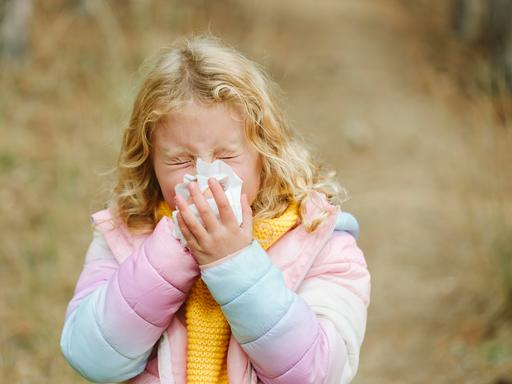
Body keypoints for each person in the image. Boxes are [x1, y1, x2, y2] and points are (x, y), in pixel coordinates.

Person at [60, 34, 371, 384]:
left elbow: (314, 374)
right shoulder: (127, 234)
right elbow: (91, 357)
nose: (206, 177)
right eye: (180, 160)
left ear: (263, 153)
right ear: (149, 162)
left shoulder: (318, 241)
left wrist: (235, 263)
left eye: (226, 156)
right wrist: (171, 252)